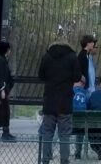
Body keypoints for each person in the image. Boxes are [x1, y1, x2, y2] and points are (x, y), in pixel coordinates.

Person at [38, 36, 79, 164]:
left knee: (47, 133)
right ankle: (64, 161)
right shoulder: (72, 57)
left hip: (49, 100)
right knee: (64, 134)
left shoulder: (47, 56)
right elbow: (77, 76)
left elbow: (41, 76)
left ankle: (45, 160)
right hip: (65, 102)